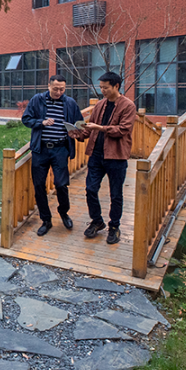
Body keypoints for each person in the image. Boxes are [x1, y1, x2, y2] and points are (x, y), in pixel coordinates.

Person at [75, 71, 137, 245]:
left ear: (116, 86)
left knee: (115, 194)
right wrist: (78, 134)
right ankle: (97, 221)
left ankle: (114, 226)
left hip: (116, 156)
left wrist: (100, 128)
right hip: (96, 155)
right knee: (90, 189)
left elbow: (123, 130)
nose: (102, 90)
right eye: (101, 87)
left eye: (106, 87)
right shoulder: (100, 104)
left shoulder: (128, 106)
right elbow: (90, 127)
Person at [20, 74, 82, 236]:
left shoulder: (70, 103)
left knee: (61, 184)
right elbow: (26, 119)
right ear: (48, 86)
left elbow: (80, 123)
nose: (59, 92)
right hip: (40, 150)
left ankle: (63, 212)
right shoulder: (37, 100)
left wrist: (77, 132)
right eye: (55, 89)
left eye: (62, 89)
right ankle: (46, 220)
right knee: (39, 185)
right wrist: (41, 122)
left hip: (60, 149)